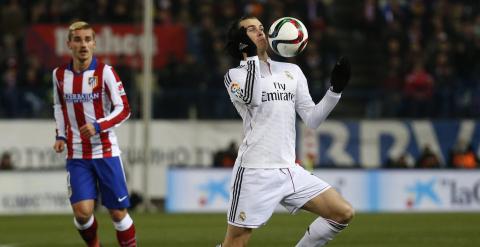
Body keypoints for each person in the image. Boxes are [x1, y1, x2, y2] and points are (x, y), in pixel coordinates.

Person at [218, 16, 354, 247]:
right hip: (254, 171)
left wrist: (335, 91)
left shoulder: (292, 71)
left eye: (262, 28)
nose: (261, 33)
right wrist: (251, 58)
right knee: (236, 242)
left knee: (342, 212)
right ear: (241, 40)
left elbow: (312, 120)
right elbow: (253, 98)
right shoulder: (234, 76)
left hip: (289, 169)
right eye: (252, 30)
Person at [52, 21, 136, 247]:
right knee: (82, 214)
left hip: (106, 152)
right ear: (69, 44)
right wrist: (60, 135)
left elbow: (124, 109)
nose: (83, 45)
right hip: (77, 155)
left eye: (88, 40)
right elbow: (59, 107)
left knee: (118, 213)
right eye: (78, 40)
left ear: (94, 44)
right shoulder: (59, 75)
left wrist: (98, 125)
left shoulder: (106, 73)